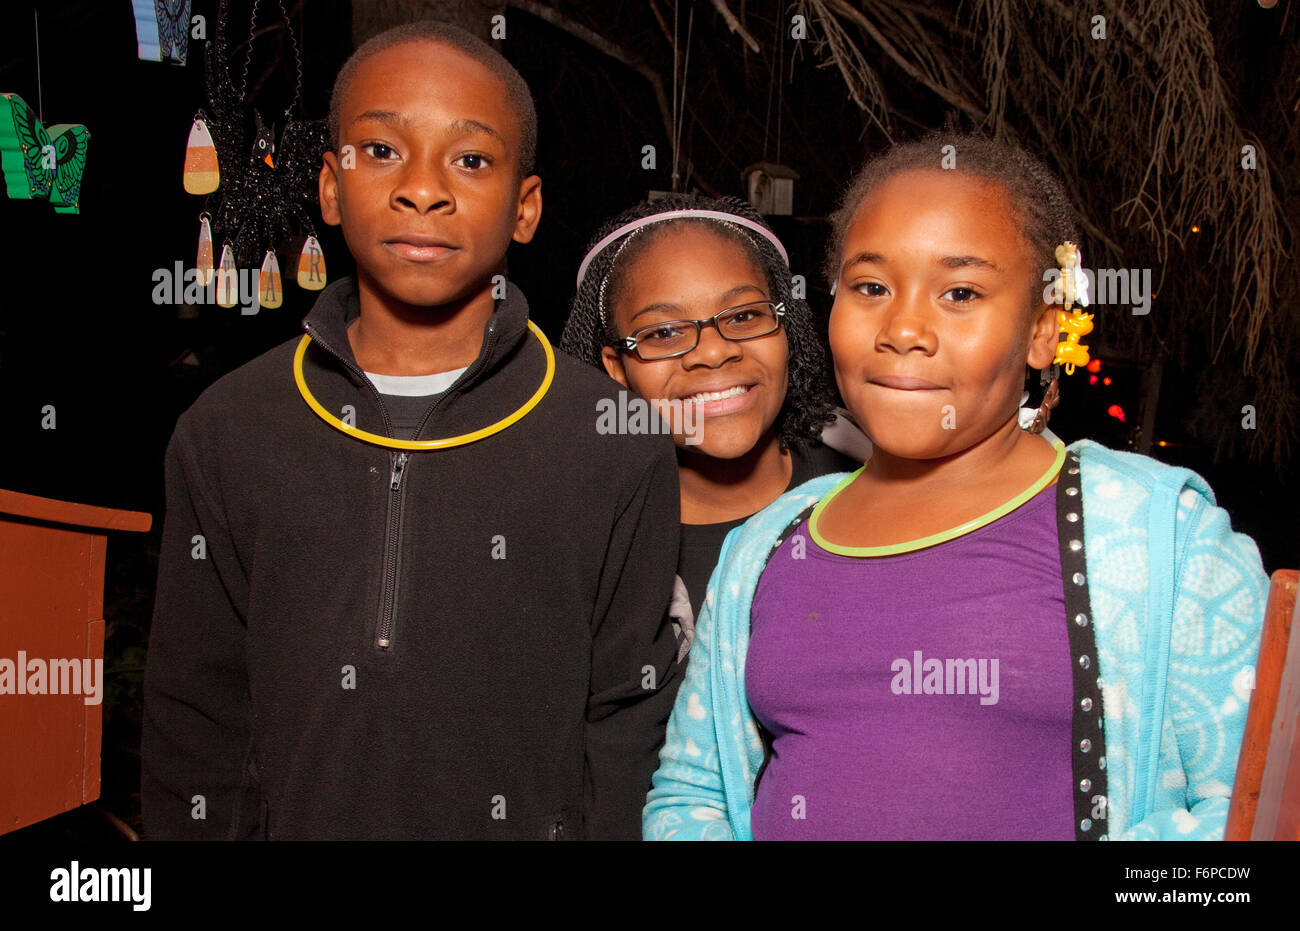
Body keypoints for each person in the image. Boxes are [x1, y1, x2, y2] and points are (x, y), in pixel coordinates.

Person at [142, 21, 683, 841]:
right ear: (328, 187)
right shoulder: (226, 428)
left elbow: (626, 719)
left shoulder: (613, 438)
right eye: (382, 151)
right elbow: (196, 714)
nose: (423, 188)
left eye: (470, 159)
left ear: (526, 207)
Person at [644, 133, 1268, 840]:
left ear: (1040, 330)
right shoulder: (765, 548)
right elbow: (690, 794)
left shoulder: (1161, 535)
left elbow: (1259, 813)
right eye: (871, 287)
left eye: (961, 292)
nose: (904, 328)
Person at [560, 194, 863, 653]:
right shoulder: (588, 548)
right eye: (663, 333)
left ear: (786, 329)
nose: (714, 351)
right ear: (617, 370)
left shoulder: (873, 477)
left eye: (743, 316)